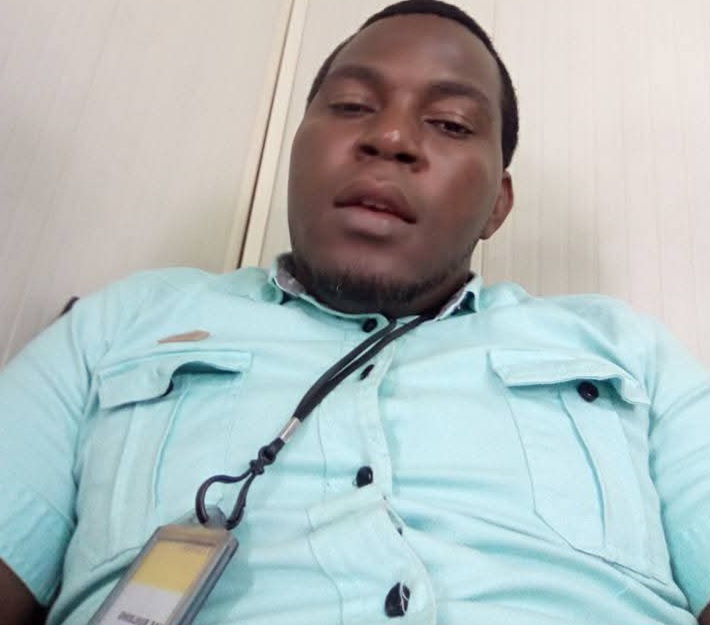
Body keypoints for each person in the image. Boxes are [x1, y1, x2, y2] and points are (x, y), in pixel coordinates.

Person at [2, 1, 710, 623]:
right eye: (350, 106)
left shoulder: (626, 351)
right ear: (297, 151)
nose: (391, 138)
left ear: (498, 204)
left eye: (450, 122)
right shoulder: (117, 327)